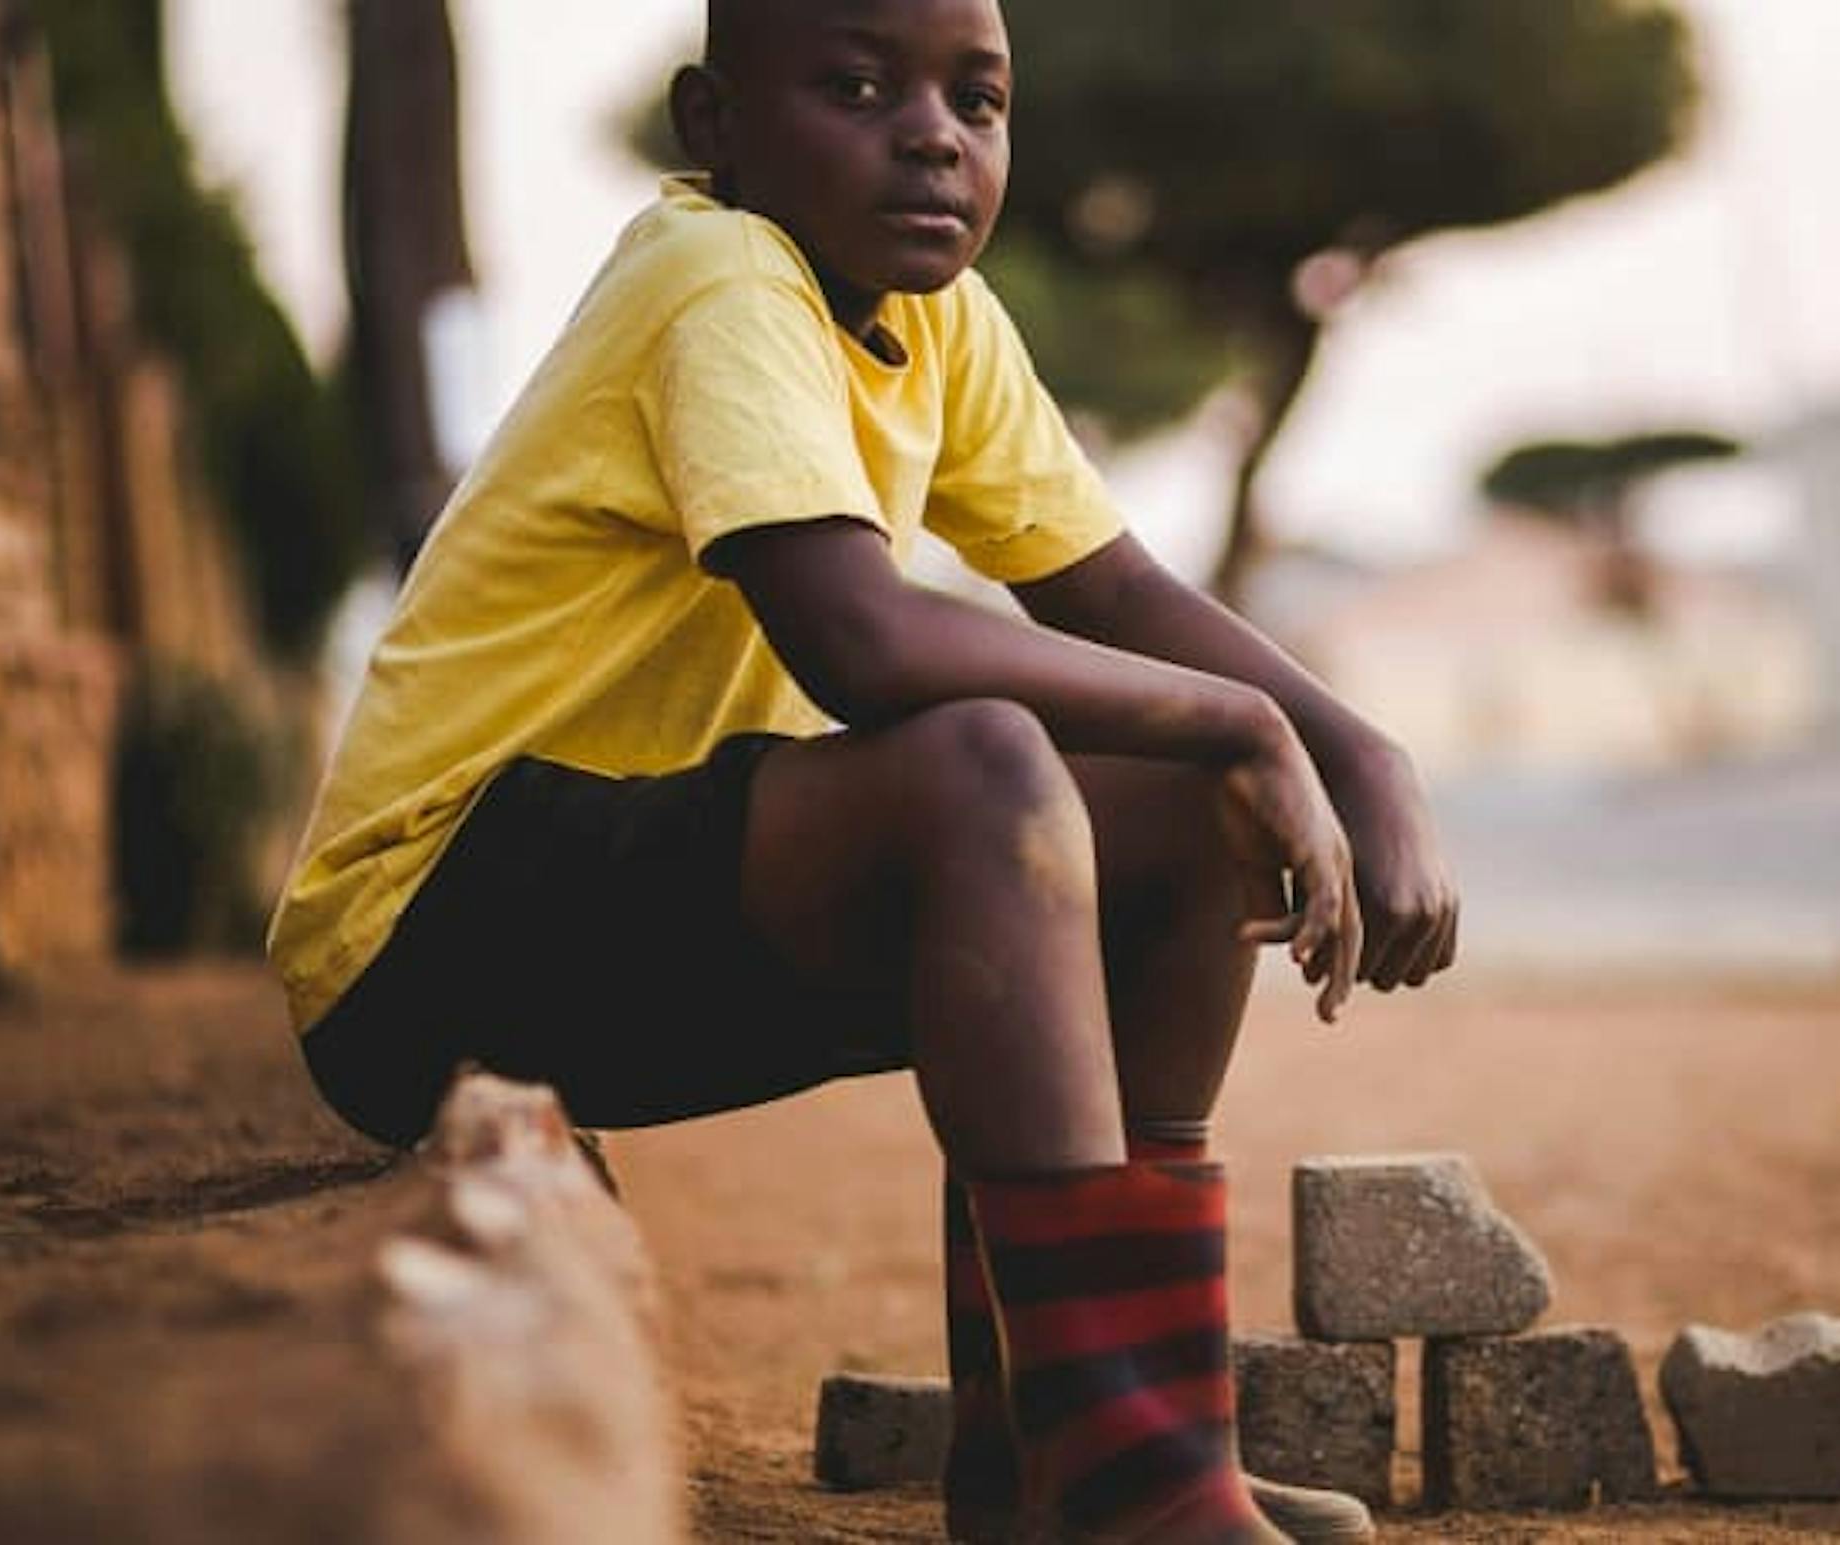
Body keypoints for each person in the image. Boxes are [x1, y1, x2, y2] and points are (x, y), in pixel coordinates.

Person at [268, 0, 1457, 1537]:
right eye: (856, 85)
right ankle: (1121, 1485)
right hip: (429, 935)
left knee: (1169, 817)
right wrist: (1246, 723)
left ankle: (1091, 1446)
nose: (932, 135)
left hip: (629, 903)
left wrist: (1356, 747)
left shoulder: (939, 323)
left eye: (980, 99)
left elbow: (1114, 592)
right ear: (717, 128)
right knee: (985, 769)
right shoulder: (719, 279)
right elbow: (863, 645)